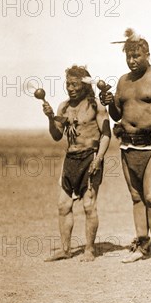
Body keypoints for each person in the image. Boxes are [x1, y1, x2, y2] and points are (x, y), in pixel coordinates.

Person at [100, 28, 151, 267]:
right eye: (129, 57)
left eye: (137, 56)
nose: (132, 61)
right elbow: (116, 115)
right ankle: (142, 243)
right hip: (127, 146)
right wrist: (110, 103)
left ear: (147, 54)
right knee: (136, 197)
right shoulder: (123, 81)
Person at [42, 65, 111, 262]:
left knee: (89, 206)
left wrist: (98, 159)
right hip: (70, 159)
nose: (71, 88)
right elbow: (56, 136)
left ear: (84, 85)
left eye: (75, 84)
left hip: (91, 157)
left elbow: (107, 134)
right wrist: (49, 117)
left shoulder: (95, 105)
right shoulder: (63, 107)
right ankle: (66, 249)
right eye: (68, 84)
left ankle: (89, 249)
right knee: (63, 206)